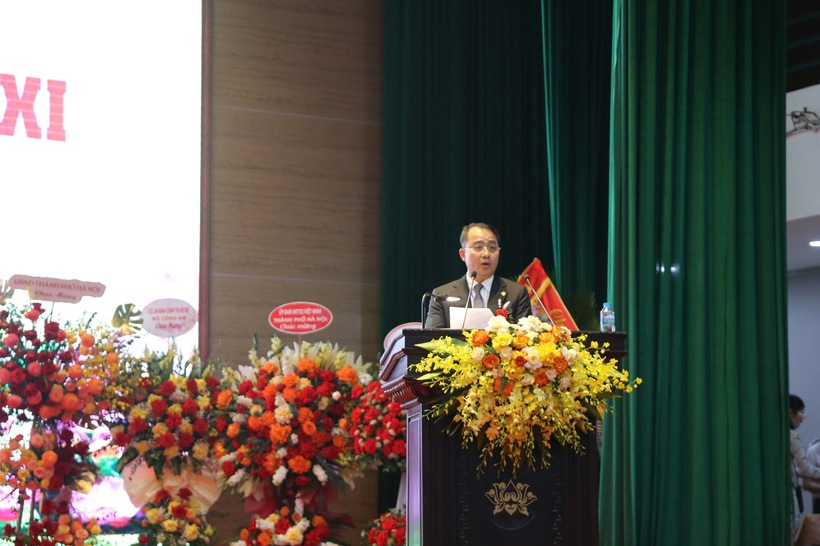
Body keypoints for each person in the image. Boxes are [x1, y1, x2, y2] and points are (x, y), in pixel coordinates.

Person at [424, 222, 531, 329]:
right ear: (463, 254)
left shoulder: (516, 293)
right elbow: (431, 337)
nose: (486, 254)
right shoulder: (441, 296)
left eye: (492, 248)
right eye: (478, 247)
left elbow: (525, 336)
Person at [790, 394, 820, 540]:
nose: (802, 419)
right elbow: (806, 470)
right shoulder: (792, 436)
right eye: (801, 414)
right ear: (791, 413)